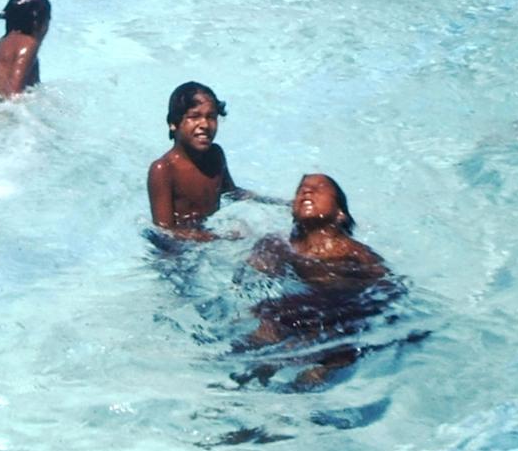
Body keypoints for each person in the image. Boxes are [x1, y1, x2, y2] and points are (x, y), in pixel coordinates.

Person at [236, 173, 406, 388]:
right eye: (301, 189)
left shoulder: (355, 254)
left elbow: (392, 288)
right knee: (265, 326)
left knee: (330, 356)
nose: (307, 191)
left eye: (319, 187)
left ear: (340, 214)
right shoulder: (278, 244)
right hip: (297, 314)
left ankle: (298, 393)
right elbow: (249, 282)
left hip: (344, 319)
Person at [147, 81, 279, 240]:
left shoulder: (215, 155)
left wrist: (275, 203)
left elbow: (233, 193)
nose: (205, 124)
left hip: (207, 237)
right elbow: (164, 231)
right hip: (173, 252)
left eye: (211, 117)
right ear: (173, 123)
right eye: (194, 116)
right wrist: (218, 237)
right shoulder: (163, 170)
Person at [0, 0, 51, 97]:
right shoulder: (28, 44)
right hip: (8, 110)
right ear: (38, 23)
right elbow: (14, 92)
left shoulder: (2, 42)